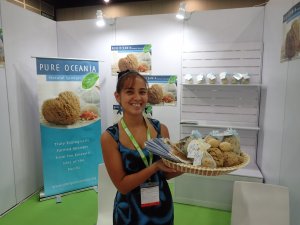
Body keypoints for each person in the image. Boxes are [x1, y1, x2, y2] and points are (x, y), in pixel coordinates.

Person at [101, 70, 182, 225]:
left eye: (142, 92)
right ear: (118, 96)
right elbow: (122, 186)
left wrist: (191, 165)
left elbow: (166, 174)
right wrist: (154, 167)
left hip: (161, 208)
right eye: (130, 92)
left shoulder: (161, 129)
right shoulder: (110, 137)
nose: (137, 98)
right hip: (129, 213)